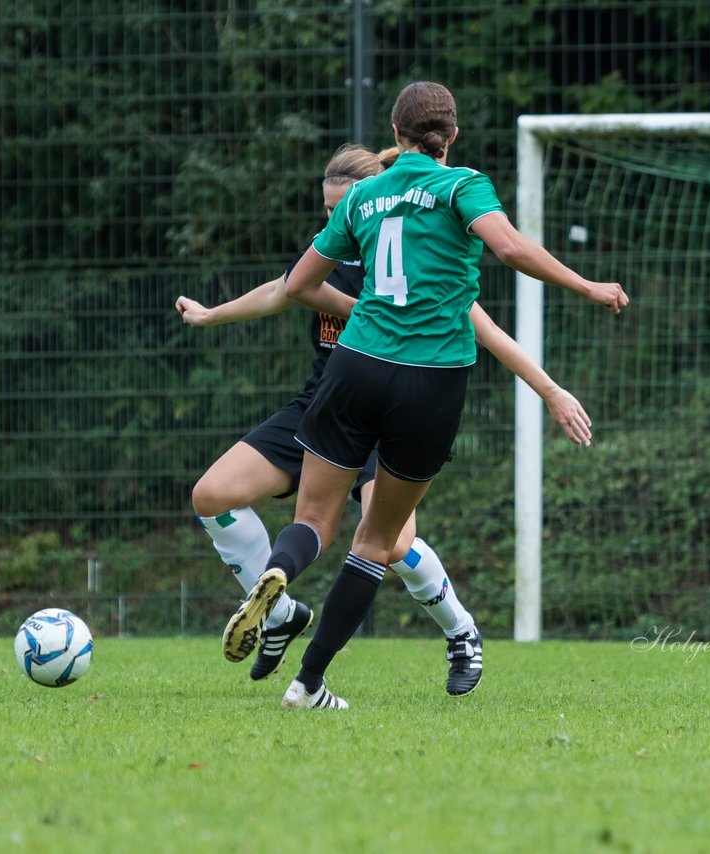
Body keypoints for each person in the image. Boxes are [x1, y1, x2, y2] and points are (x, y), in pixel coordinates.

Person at [222, 81, 628, 710]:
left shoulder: (362, 196)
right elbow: (510, 248)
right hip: (429, 380)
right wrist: (589, 286)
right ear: (453, 135)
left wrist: (368, 308)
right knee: (378, 542)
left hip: (354, 368)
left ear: (395, 132)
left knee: (312, 521)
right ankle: (307, 683)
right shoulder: (462, 185)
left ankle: (282, 570)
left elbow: (300, 284)